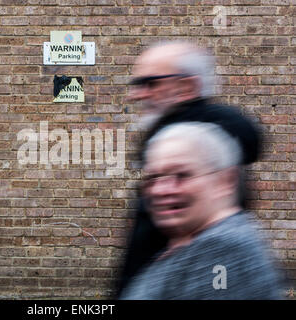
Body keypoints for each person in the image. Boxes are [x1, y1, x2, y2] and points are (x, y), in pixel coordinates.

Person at [117, 41, 262, 295]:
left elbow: (248, 136)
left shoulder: (206, 134)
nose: (137, 95)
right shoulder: (165, 131)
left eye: (151, 83)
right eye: (156, 177)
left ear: (187, 86)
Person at [119, 122, 283, 299]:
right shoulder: (195, 243)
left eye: (182, 175)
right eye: (153, 178)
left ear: (225, 181)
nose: (160, 190)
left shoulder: (222, 251)